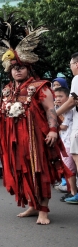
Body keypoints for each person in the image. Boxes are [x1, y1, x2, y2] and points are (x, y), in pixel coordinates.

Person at [0, 14, 71, 224]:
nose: (18, 70)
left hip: (35, 139)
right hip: (14, 142)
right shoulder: (7, 90)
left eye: (21, 67)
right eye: (14, 67)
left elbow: (51, 110)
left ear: (29, 68)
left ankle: (43, 210)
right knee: (21, 172)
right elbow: (0, 114)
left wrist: (52, 130)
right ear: (9, 69)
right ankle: (32, 206)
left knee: (38, 169)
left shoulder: (40, 87)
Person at [56, 53, 78, 205]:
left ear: (76, 64)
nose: (70, 68)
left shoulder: (77, 78)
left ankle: (75, 193)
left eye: (71, 64)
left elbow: (73, 101)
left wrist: (53, 115)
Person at [53, 87, 77, 202]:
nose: (58, 99)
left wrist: (51, 125)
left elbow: (63, 126)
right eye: (56, 96)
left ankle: (73, 192)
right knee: (69, 169)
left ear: (68, 98)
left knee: (70, 170)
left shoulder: (69, 110)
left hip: (68, 143)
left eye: (61, 96)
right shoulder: (58, 108)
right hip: (65, 142)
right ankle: (71, 191)